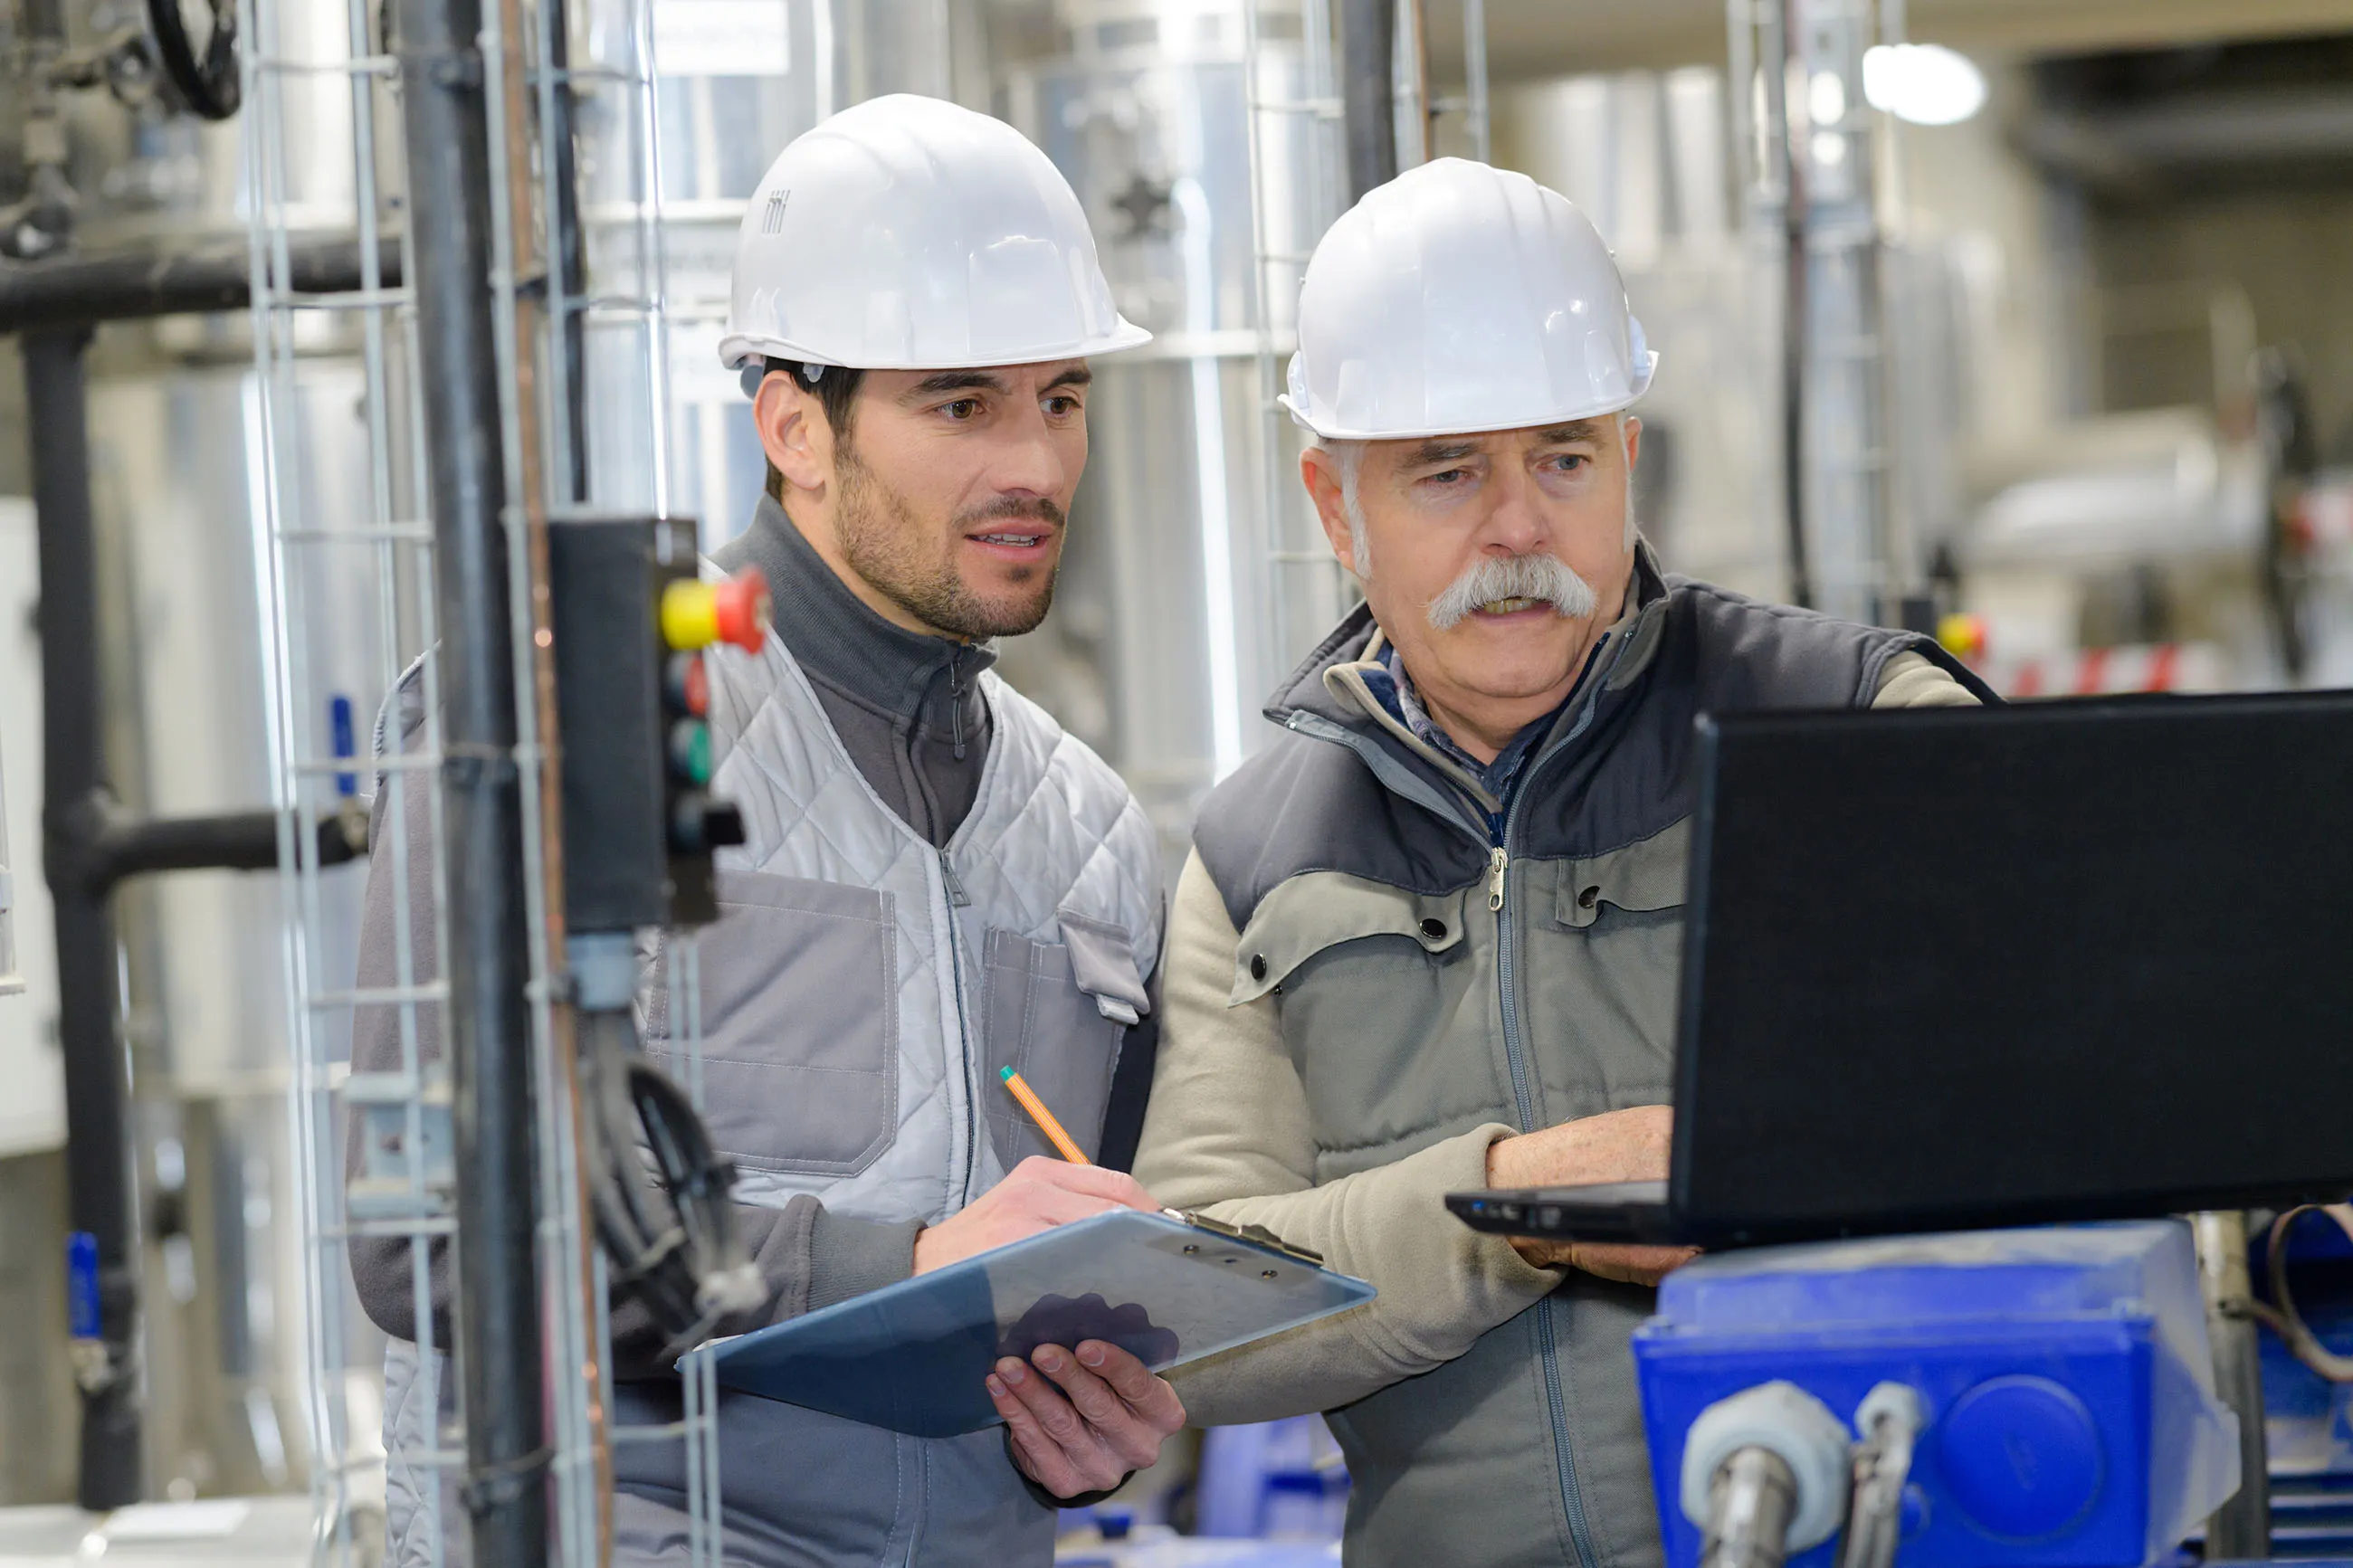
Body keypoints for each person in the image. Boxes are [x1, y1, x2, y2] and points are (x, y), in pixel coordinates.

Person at [354, 95, 1185, 1566]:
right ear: (794, 422)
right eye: (962, 402)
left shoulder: (1092, 832)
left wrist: (1082, 1433)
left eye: (1061, 398)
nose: (1039, 466)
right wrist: (898, 1270)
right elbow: (434, 1234)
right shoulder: (582, 712)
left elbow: (1067, 1283)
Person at [1130, 157, 1995, 1567]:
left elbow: (2051, 1131)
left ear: (1628, 462)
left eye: (1565, 457)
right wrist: (1516, 1205)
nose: (1520, 526)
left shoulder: (1853, 727)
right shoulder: (1254, 855)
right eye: (1448, 471)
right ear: (1336, 508)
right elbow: (1193, 1312)